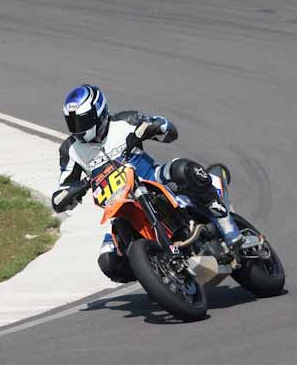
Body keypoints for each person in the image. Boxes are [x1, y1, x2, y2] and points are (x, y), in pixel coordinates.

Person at [51, 84, 242, 283]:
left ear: (98, 112)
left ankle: (228, 227)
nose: (78, 127)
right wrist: (72, 192)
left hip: (152, 179)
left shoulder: (126, 121)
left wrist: (153, 126)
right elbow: (61, 192)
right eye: (72, 122)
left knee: (183, 169)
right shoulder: (71, 150)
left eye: (81, 120)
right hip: (120, 205)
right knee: (108, 261)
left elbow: (169, 131)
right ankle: (159, 273)